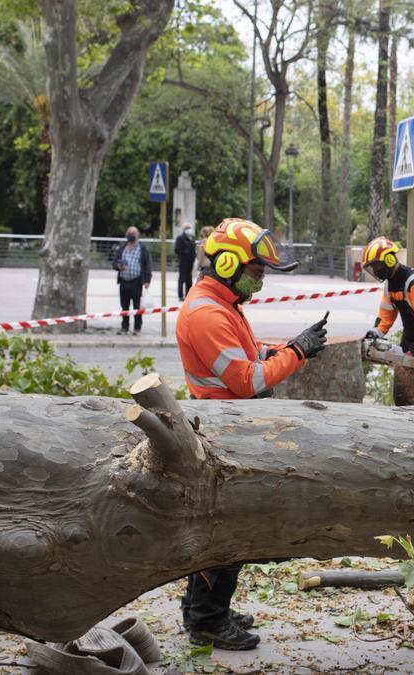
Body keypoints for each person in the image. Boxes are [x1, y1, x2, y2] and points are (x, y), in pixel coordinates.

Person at [176, 217, 328, 650]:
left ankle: (202, 610)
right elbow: (245, 380)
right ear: (227, 263)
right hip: (225, 427)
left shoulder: (224, 305)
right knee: (229, 532)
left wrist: (288, 347)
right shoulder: (207, 314)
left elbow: (251, 354)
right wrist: (296, 353)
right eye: (256, 271)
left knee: (222, 529)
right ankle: (207, 618)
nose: (260, 280)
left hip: (232, 423)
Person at [362, 236, 414, 405]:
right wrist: (374, 333)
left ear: (389, 259)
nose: (375, 271)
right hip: (410, 335)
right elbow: (385, 317)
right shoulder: (390, 285)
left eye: (377, 266)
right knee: (402, 394)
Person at [110, 226, 152, 334]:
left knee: (137, 306)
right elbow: (114, 262)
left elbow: (148, 265)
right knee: (124, 306)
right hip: (123, 281)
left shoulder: (142, 249)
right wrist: (117, 266)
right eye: (129, 232)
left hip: (137, 282)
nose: (131, 235)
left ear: (137, 235)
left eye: (133, 233)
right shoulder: (122, 248)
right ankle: (125, 327)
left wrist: (147, 280)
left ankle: (137, 328)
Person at [174, 224, 196, 301]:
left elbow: (194, 248)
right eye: (187, 228)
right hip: (183, 262)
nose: (189, 229)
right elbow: (177, 250)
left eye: (189, 228)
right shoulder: (180, 238)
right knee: (182, 278)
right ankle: (180, 295)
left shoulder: (192, 237)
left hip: (190, 262)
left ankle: (188, 294)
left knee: (189, 279)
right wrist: (184, 254)